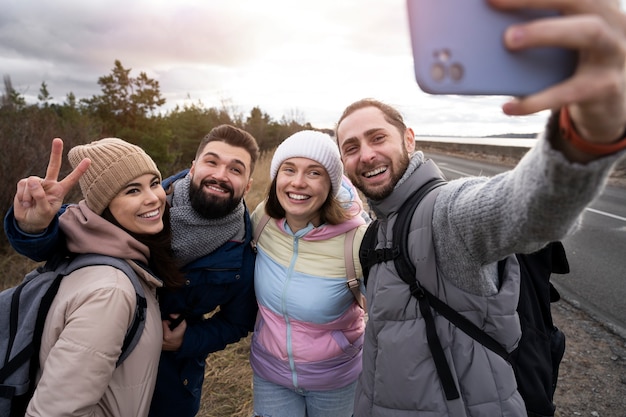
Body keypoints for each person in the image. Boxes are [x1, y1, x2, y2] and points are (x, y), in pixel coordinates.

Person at [334, 1, 626, 415]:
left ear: (409, 140)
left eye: (377, 137)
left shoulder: (446, 213)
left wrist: (586, 134)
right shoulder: (376, 232)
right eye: (351, 146)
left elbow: (527, 208)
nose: (366, 154)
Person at [4, 124, 260, 417]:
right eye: (211, 162)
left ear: (248, 185)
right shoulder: (149, 206)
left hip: (173, 382)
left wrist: (186, 340)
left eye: (235, 169)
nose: (220, 175)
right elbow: (75, 228)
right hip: (103, 365)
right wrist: (33, 227)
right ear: (193, 167)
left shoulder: (241, 250)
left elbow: (237, 323)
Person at [18, 138, 185, 417]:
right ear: (103, 206)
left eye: (154, 183)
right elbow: (56, 412)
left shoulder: (100, 249)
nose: (153, 197)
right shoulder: (111, 291)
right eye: (132, 190)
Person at [249, 130, 367, 417]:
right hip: (270, 373)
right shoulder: (262, 218)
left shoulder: (357, 240)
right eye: (289, 169)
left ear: (331, 184)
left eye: (314, 172)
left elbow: (389, 315)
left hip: (335, 379)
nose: (298, 182)